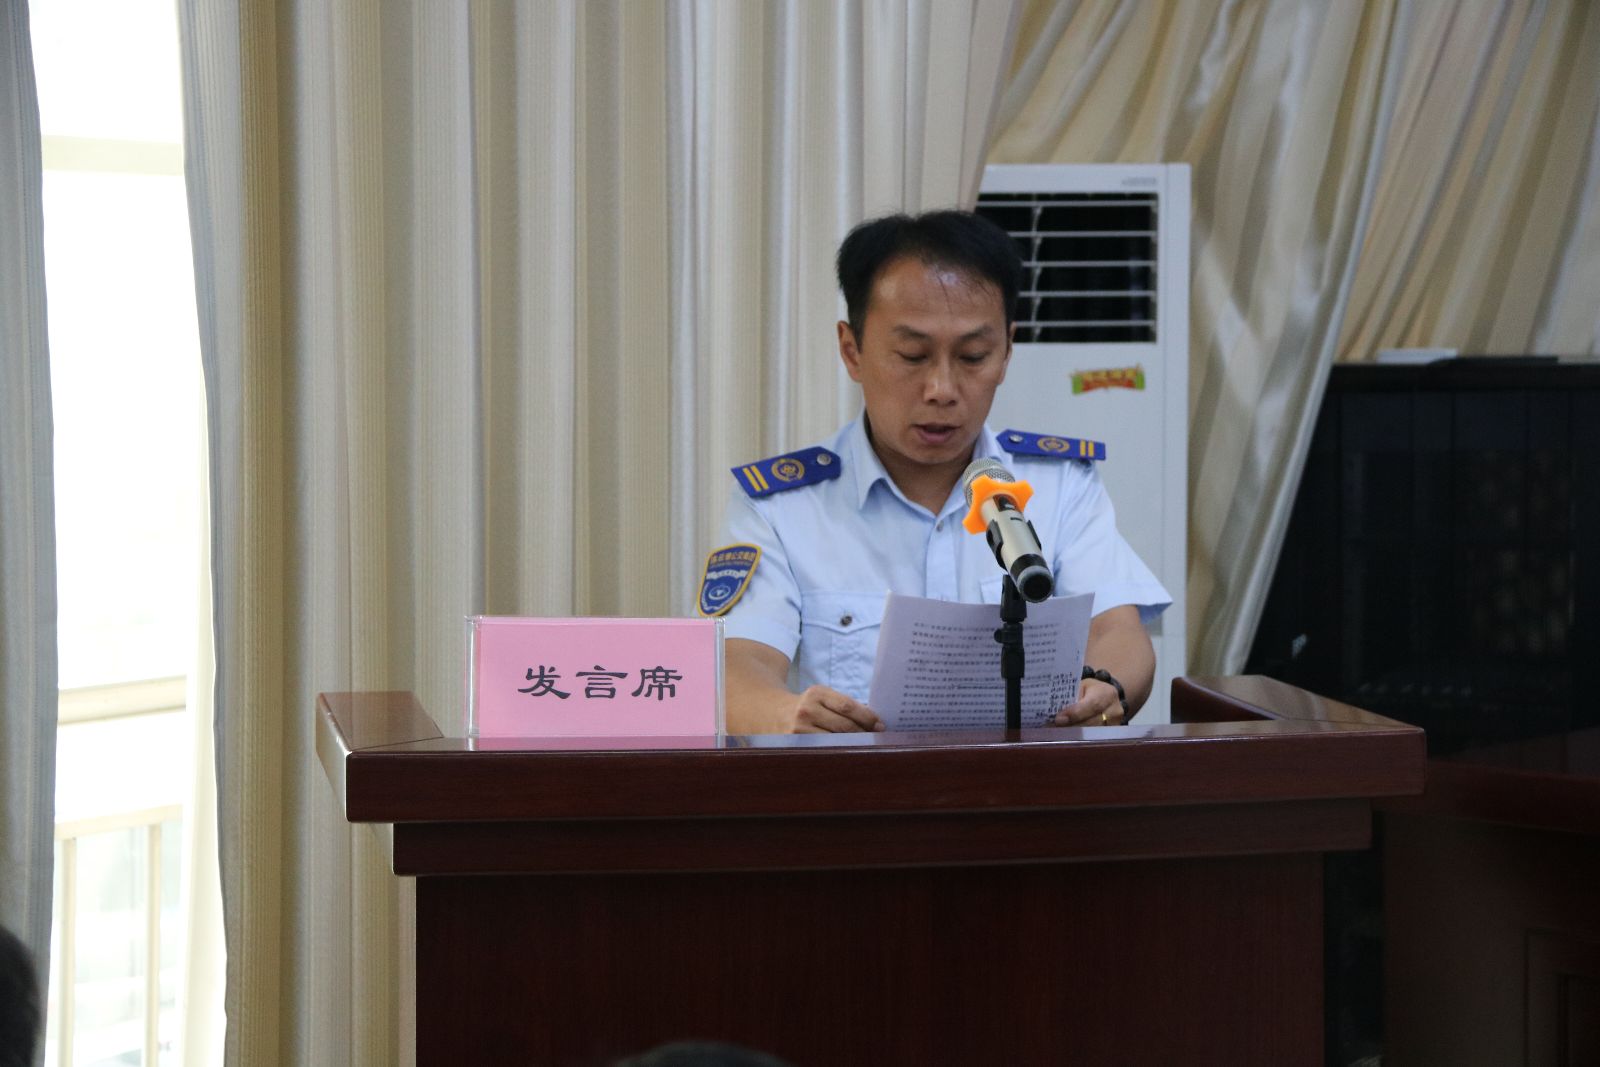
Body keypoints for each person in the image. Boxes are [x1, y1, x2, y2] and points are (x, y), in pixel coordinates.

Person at [698, 210, 1170, 734]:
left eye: (973, 356)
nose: (942, 389)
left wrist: (1106, 687)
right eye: (912, 355)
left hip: (1023, 782)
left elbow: (1118, 631)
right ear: (852, 351)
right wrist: (784, 714)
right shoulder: (780, 508)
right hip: (853, 783)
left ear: (1006, 351)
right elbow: (738, 667)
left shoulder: (1060, 486)